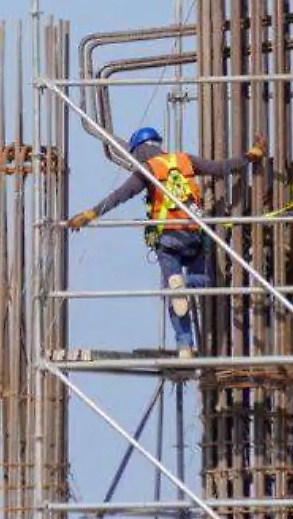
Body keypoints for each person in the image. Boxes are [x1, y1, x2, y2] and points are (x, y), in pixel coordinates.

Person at [66, 127, 266, 358]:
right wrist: (250, 156)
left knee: (173, 289)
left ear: (138, 150)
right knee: (204, 282)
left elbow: (119, 196)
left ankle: (184, 345)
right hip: (193, 235)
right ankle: (184, 295)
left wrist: (90, 214)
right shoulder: (184, 159)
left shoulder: (147, 169)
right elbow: (220, 168)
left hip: (167, 239)